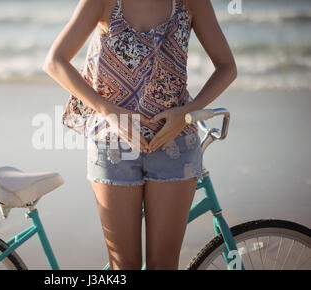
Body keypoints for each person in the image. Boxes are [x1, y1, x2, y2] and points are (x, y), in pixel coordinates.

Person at [43, 0, 236, 270]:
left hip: (175, 144)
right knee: (125, 266)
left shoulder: (192, 3)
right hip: (112, 145)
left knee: (163, 265)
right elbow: (54, 62)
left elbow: (227, 66)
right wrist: (108, 111)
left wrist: (188, 112)